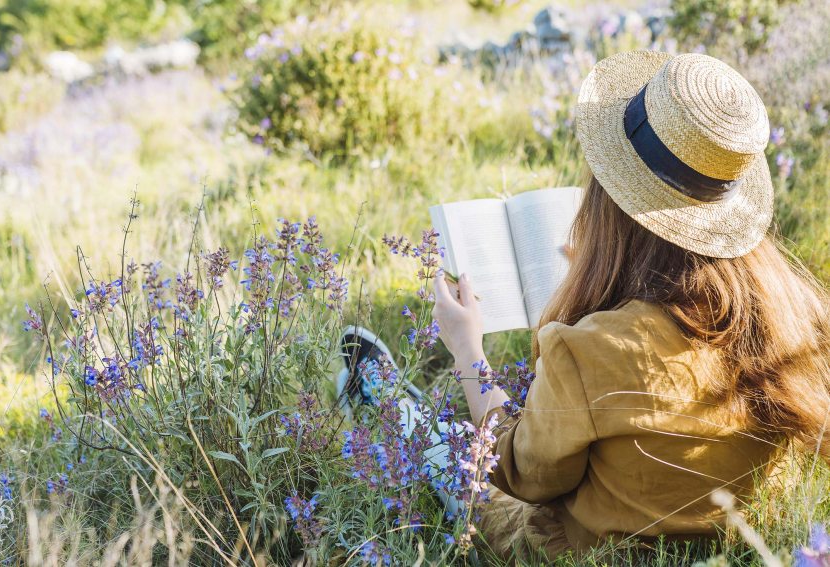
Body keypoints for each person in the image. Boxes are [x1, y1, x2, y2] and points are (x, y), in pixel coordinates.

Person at [337, 50, 830, 561]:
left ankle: (395, 411)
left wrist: (466, 349)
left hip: (579, 550)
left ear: (613, 200)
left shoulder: (595, 348)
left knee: (453, 456)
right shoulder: (791, 318)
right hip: (726, 548)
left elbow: (520, 473)